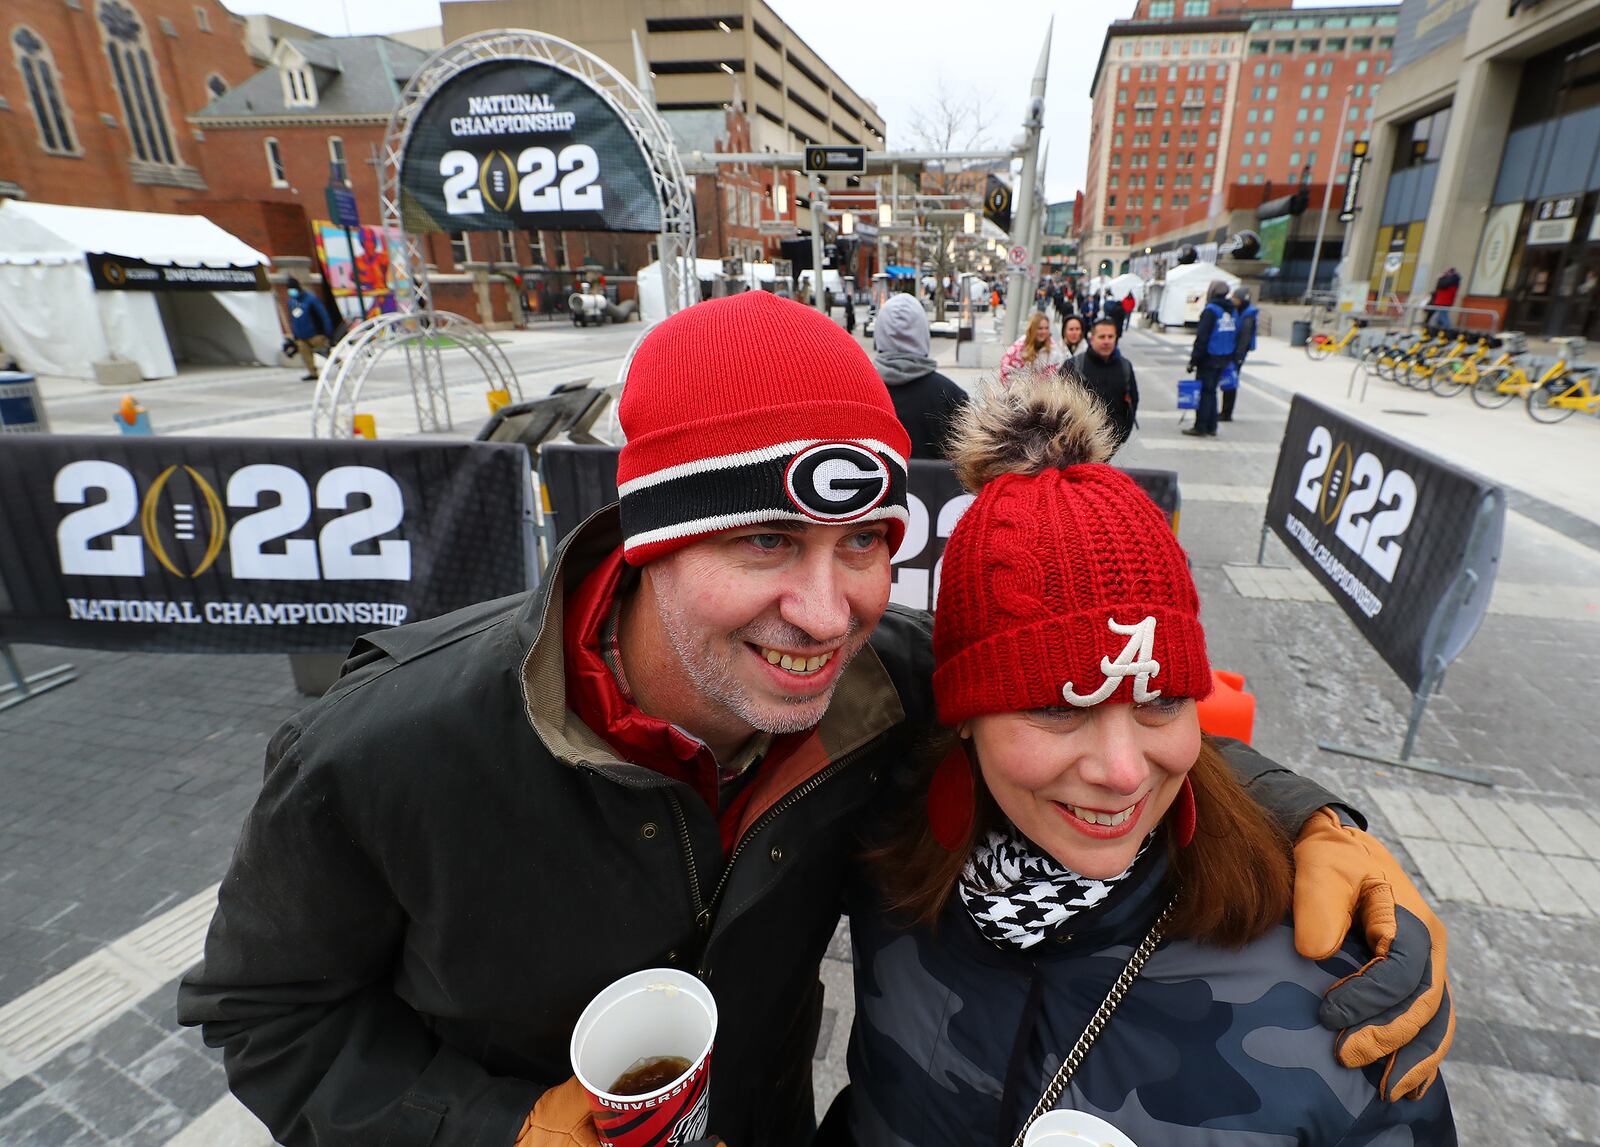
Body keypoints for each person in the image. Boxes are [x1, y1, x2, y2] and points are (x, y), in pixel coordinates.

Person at [178, 293, 1454, 1147]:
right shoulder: (386, 746)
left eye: (863, 545)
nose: (823, 607)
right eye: (767, 539)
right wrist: (493, 1132)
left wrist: (1314, 818)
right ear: (647, 543)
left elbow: (1084, 701)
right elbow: (263, 1012)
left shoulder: (879, 686)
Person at [829, 373, 1456, 1147]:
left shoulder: (1339, 992)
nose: (1123, 771)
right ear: (960, 715)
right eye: (1058, 706)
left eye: (1161, 700)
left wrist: (1316, 817)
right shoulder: (883, 849)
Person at [872, 293, 968, 460]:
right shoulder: (951, 396)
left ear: (879, 334)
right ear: (923, 334)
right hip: (936, 486)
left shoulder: (861, 392)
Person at [1063, 316, 1138, 451]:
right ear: (1092, 339)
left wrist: (1123, 435)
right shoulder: (1073, 365)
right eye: (1102, 337)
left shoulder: (1125, 366)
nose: (1106, 341)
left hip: (1111, 443)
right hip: (1076, 444)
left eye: (1110, 337)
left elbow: (1133, 400)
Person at [1184, 280, 1238, 438]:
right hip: (1224, 356)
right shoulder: (1231, 310)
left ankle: (1200, 426)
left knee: (1204, 393)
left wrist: (1194, 360)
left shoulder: (1211, 310)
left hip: (1208, 358)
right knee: (1212, 392)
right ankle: (1212, 426)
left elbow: (1202, 338)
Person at [285, 276, 334, 381]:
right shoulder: (291, 302)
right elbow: (292, 319)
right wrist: (294, 335)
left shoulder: (311, 299)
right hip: (301, 336)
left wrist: (328, 332)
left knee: (325, 352)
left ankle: (340, 363)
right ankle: (312, 372)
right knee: (305, 355)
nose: (291, 291)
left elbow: (323, 315)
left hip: (315, 334)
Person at [1224, 286, 1259, 423]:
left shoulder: (1248, 315)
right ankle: (1225, 410)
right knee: (1228, 380)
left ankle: (1227, 412)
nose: (1233, 300)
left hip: (1238, 353)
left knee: (1231, 381)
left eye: (1235, 298)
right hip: (1233, 350)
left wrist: (1238, 356)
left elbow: (1245, 337)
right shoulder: (1238, 310)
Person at [999, 312, 1065, 382]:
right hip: (1021, 390)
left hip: (1045, 390)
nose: (1044, 331)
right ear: (1032, 329)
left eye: (1046, 328)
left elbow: (1058, 370)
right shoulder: (1018, 348)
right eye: (1040, 328)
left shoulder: (1053, 348)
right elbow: (1005, 371)